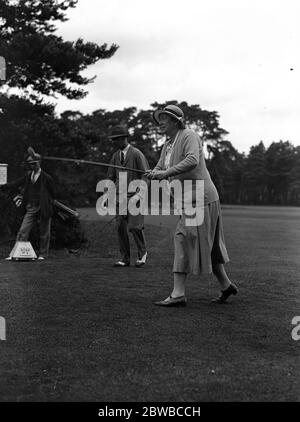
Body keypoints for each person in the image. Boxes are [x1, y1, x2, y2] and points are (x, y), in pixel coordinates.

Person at [145, 105, 238, 305]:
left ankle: (178, 294)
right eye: (159, 119)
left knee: (182, 238)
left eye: (164, 119)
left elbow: (192, 160)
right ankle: (226, 285)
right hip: (189, 200)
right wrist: (154, 172)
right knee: (210, 246)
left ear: (176, 120)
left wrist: (165, 174)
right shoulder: (168, 144)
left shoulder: (189, 136)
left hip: (201, 198)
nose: (160, 122)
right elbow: (162, 166)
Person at [107, 124, 149, 267]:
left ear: (124, 138)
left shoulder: (136, 153)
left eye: (116, 139)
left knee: (135, 227)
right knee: (120, 227)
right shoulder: (115, 156)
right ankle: (125, 258)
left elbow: (146, 175)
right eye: (112, 139)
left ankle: (142, 254)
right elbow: (110, 177)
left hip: (135, 197)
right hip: (120, 198)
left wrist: (139, 194)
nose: (113, 142)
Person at [1, 151, 55, 259]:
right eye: (30, 163)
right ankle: (16, 254)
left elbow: (53, 194)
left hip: (44, 207)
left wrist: (48, 204)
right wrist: (3, 186)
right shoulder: (28, 176)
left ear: (39, 163)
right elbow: (16, 183)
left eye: (34, 163)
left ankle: (43, 254)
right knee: (23, 231)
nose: (32, 165)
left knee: (44, 232)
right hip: (31, 207)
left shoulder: (47, 178)